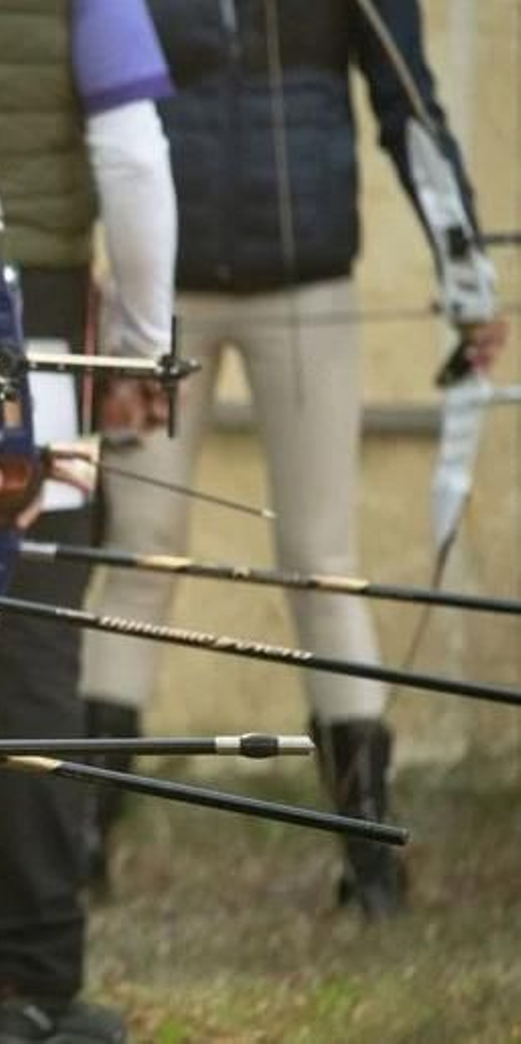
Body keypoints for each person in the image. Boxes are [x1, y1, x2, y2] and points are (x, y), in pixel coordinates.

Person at [82, 0, 508, 920]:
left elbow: (412, 108)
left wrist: (464, 266)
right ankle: (81, 845)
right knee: (139, 554)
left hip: (307, 282)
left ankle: (369, 849)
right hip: (162, 294)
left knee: (323, 562)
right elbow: (76, 97)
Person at [0, 3, 179, 1042]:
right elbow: (132, 152)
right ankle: (27, 986)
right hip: (30, 326)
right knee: (30, 649)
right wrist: (144, 344)